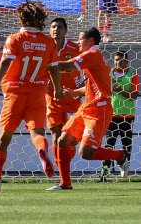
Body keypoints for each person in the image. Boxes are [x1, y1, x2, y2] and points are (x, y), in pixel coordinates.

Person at [0, 0, 64, 193]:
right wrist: (59, 90)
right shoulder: (48, 42)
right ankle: (42, 151)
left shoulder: (15, 39)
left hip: (15, 93)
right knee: (37, 133)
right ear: (40, 20)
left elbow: (5, 63)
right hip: (37, 92)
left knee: (4, 137)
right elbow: (54, 70)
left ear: (21, 18)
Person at [46, 28, 127, 191]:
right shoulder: (94, 58)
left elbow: (67, 66)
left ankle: (119, 155)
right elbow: (97, 86)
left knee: (86, 153)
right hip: (86, 108)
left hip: (100, 110)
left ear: (90, 41)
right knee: (63, 141)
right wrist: (76, 92)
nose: (77, 42)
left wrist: (44, 63)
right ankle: (65, 184)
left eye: (80, 39)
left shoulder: (92, 55)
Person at [46, 18, 83, 169]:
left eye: (60, 27)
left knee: (74, 135)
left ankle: (68, 151)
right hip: (52, 96)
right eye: (53, 27)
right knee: (55, 135)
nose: (56, 29)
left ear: (66, 30)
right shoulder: (45, 48)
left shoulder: (75, 48)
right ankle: (60, 172)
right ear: (49, 30)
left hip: (71, 95)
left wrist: (80, 90)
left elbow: (87, 70)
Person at [100, 51, 139, 181]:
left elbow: (133, 96)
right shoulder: (109, 74)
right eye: (116, 60)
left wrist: (120, 90)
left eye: (121, 60)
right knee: (109, 144)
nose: (118, 62)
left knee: (126, 143)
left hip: (127, 115)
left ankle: (124, 168)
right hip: (111, 114)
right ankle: (105, 170)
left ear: (126, 61)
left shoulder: (133, 74)